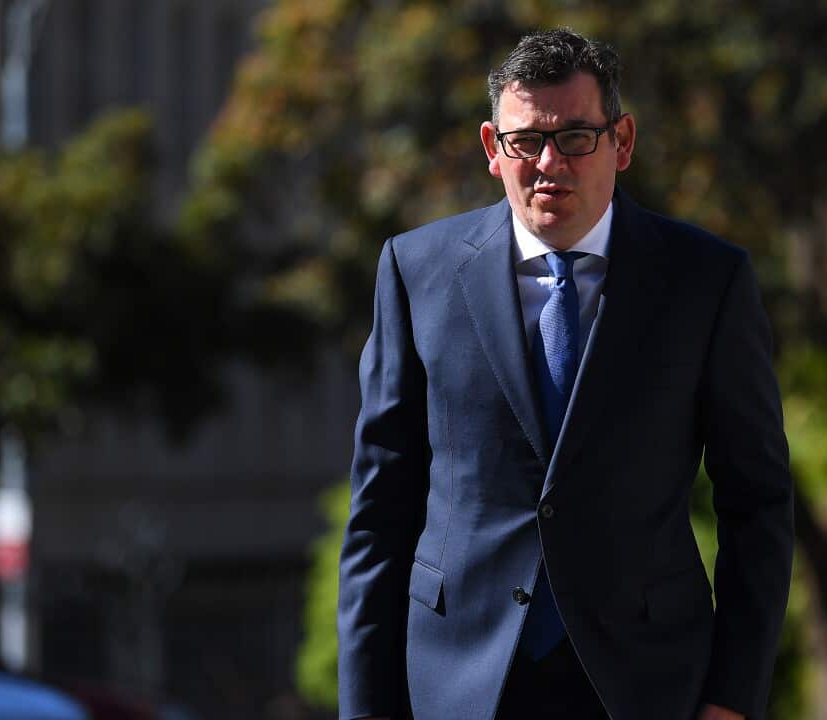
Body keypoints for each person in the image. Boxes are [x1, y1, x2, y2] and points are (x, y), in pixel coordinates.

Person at [337, 28, 793, 720]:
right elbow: (379, 515)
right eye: (526, 141)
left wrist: (732, 699)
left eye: (577, 138)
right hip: (458, 682)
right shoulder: (415, 272)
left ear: (623, 142)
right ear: (493, 149)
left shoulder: (706, 281)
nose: (550, 163)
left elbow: (758, 504)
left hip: (647, 683)